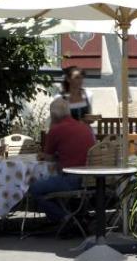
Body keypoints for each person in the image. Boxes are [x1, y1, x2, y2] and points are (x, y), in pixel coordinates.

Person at [29, 97, 97, 226]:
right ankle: (72, 217)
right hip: (90, 179)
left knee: (34, 188)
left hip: (72, 180)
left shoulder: (56, 130)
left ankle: (64, 218)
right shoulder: (85, 128)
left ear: (53, 115)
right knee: (50, 185)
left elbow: (48, 157)